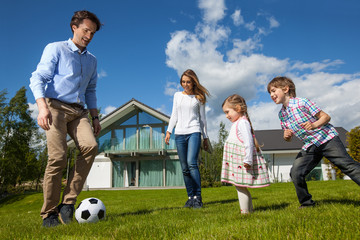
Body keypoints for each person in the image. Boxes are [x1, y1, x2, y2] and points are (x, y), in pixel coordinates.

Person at [29, 10, 102, 227]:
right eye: (86, 30)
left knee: (90, 146)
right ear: (74, 27)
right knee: (58, 158)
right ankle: (49, 213)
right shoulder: (56, 48)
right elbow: (38, 78)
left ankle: (68, 203)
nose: (89, 36)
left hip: (79, 112)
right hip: (55, 108)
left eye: (93, 33)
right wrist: (42, 108)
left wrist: (95, 117)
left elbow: (91, 90)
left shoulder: (92, 60)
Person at [267, 76, 360, 208]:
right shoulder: (282, 114)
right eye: (270, 93)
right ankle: (306, 204)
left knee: (347, 165)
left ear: (286, 89)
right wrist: (286, 136)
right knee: (296, 172)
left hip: (327, 138)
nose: (271, 95)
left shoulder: (302, 102)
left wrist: (314, 125)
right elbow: (288, 137)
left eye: (273, 91)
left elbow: (326, 117)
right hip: (310, 145)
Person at [165, 69, 210, 209]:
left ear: (193, 82)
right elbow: (174, 114)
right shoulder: (177, 95)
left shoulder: (199, 97)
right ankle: (190, 198)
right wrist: (168, 131)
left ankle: (198, 198)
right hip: (179, 133)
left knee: (192, 163)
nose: (185, 84)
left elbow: (203, 119)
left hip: (194, 132)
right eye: (183, 82)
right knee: (184, 168)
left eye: (188, 82)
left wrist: (206, 137)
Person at [221, 94, 270, 214]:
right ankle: (249, 210)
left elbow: (248, 142)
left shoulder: (242, 123)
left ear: (237, 108)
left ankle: (245, 212)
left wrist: (248, 160)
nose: (227, 116)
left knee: (240, 186)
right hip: (237, 161)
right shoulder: (238, 123)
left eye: (228, 112)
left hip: (242, 161)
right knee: (240, 186)